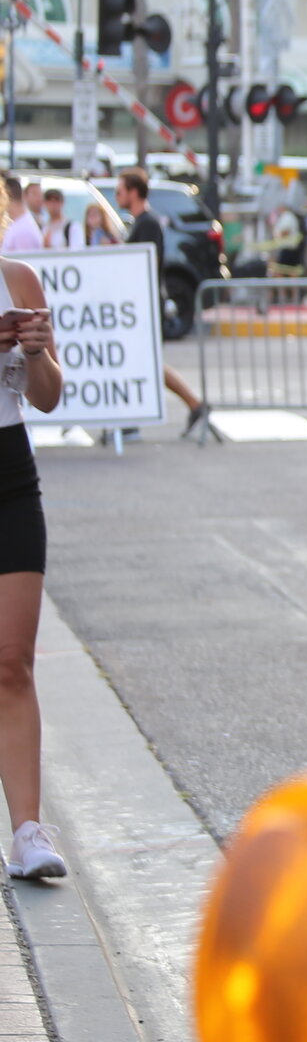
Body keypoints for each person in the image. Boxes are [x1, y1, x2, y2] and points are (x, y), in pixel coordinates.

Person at [0, 238, 63, 879]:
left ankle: (27, 833)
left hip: (10, 477)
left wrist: (35, 352)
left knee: (12, 661)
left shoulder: (17, 278)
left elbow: (47, 396)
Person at [113, 173, 211, 437]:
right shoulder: (141, 223)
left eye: (120, 191)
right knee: (147, 362)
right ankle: (194, 404)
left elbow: (148, 263)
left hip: (146, 304)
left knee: (142, 361)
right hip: (140, 303)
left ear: (134, 192)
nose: (116, 196)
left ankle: (132, 420)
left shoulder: (148, 224)